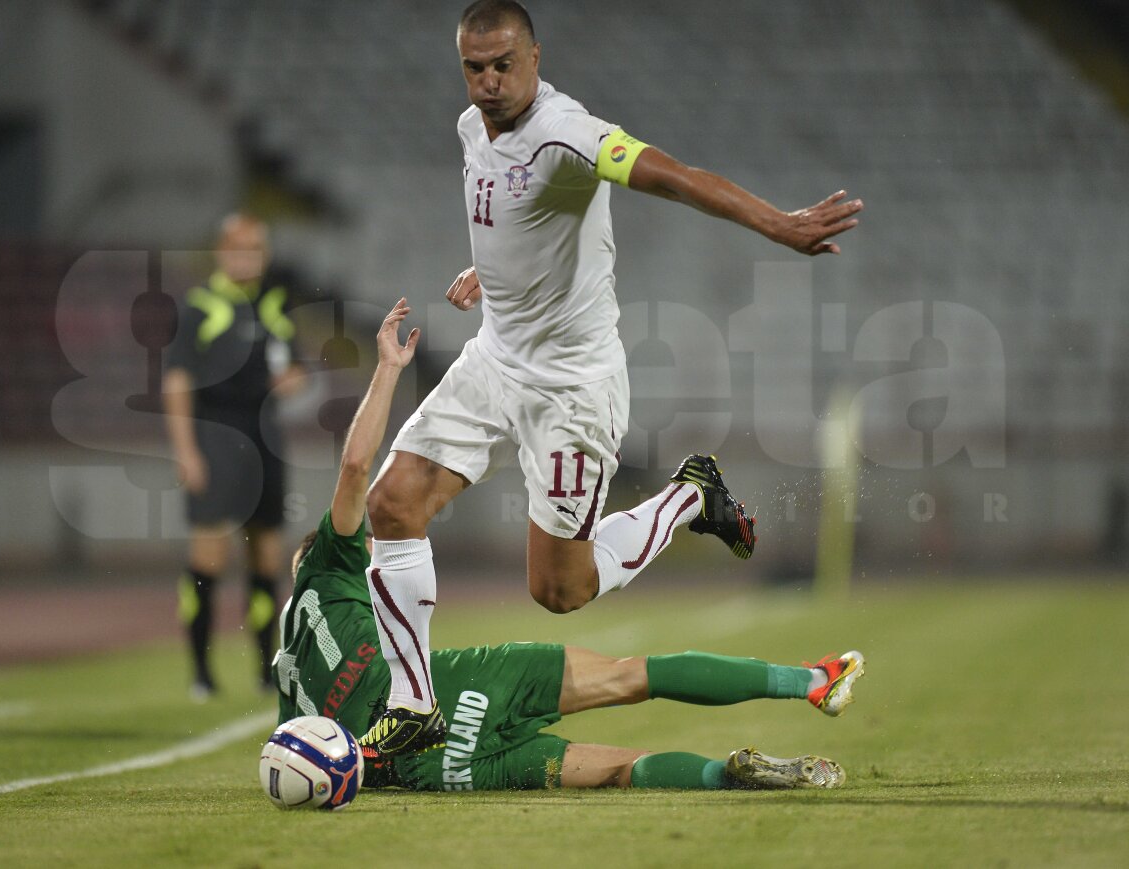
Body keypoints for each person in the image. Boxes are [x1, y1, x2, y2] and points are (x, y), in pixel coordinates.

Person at [360, 0, 864, 755]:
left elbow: (672, 176)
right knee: (392, 503)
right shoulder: (473, 128)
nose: (489, 82)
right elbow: (522, 218)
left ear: (535, 56)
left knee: (559, 591)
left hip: (572, 389)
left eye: (504, 64)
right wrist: (489, 272)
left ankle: (693, 493)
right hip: (496, 358)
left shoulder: (568, 131)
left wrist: (776, 224)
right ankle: (413, 706)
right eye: (474, 67)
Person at [274, 299, 866, 793]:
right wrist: (388, 368)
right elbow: (355, 467)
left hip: (421, 766)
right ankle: (810, 681)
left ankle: (722, 775)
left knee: (617, 771)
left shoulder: (288, 683)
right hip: (466, 686)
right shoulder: (330, 565)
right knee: (633, 674)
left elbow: (302, 760)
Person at [163, 213, 303, 699]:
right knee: (209, 557)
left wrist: (294, 380)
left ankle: (266, 672)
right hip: (214, 438)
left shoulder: (274, 304)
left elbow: (297, 366)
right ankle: (201, 672)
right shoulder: (200, 306)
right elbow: (177, 381)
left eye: (256, 249)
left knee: (267, 557)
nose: (248, 257)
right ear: (223, 252)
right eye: (239, 248)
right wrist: (186, 451)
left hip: (265, 439)